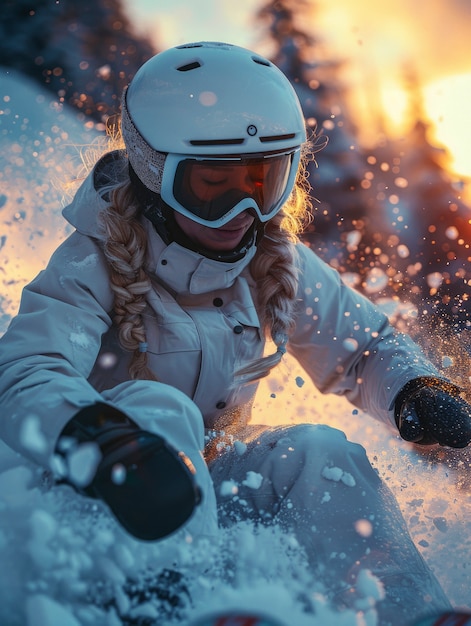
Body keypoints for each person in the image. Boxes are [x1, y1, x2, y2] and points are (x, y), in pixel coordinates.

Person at [0, 41, 470, 625]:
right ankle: (175, 609)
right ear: (154, 173)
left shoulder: (275, 259)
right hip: (99, 502)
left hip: (206, 491)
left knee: (318, 453)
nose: (239, 211)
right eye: (212, 185)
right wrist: (104, 446)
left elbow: (364, 348)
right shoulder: (92, 261)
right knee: (157, 406)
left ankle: (407, 613)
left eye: (262, 181)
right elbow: (22, 373)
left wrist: (415, 389)